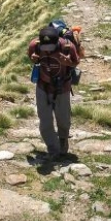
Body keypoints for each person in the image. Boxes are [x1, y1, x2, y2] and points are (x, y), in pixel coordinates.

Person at [28, 25, 80, 160]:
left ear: (57, 41)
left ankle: (63, 140)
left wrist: (68, 62)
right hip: (43, 87)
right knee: (45, 120)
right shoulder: (35, 45)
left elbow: (76, 62)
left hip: (62, 87)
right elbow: (31, 57)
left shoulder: (68, 47)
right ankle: (52, 148)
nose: (48, 51)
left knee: (63, 118)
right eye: (45, 48)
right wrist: (33, 58)